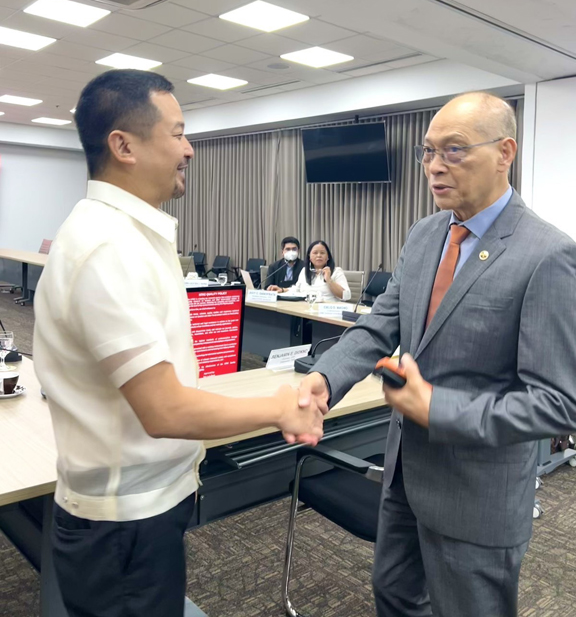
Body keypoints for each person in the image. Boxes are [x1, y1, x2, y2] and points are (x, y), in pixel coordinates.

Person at [32, 69, 323, 617]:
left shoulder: (126, 235)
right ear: (124, 146)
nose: (190, 149)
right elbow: (164, 409)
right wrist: (282, 406)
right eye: (178, 132)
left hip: (137, 516)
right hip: (122, 528)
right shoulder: (108, 247)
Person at [297, 92, 576, 617]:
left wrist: (438, 409)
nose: (433, 167)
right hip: (403, 475)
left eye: (454, 150)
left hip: (477, 495)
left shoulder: (548, 254)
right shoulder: (425, 235)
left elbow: (558, 403)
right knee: (395, 597)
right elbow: (381, 324)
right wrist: (326, 379)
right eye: (428, 151)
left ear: (505, 152)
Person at [285, 239, 351, 301]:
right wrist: (282, 290)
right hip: (307, 309)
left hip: (327, 310)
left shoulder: (336, 271)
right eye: (315, 253)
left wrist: (329, 279)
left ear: (328, 257)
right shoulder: (304, 270)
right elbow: (297, 289)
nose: (319, 255)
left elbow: (346, 296)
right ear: (309, 257)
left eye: (322, 253)